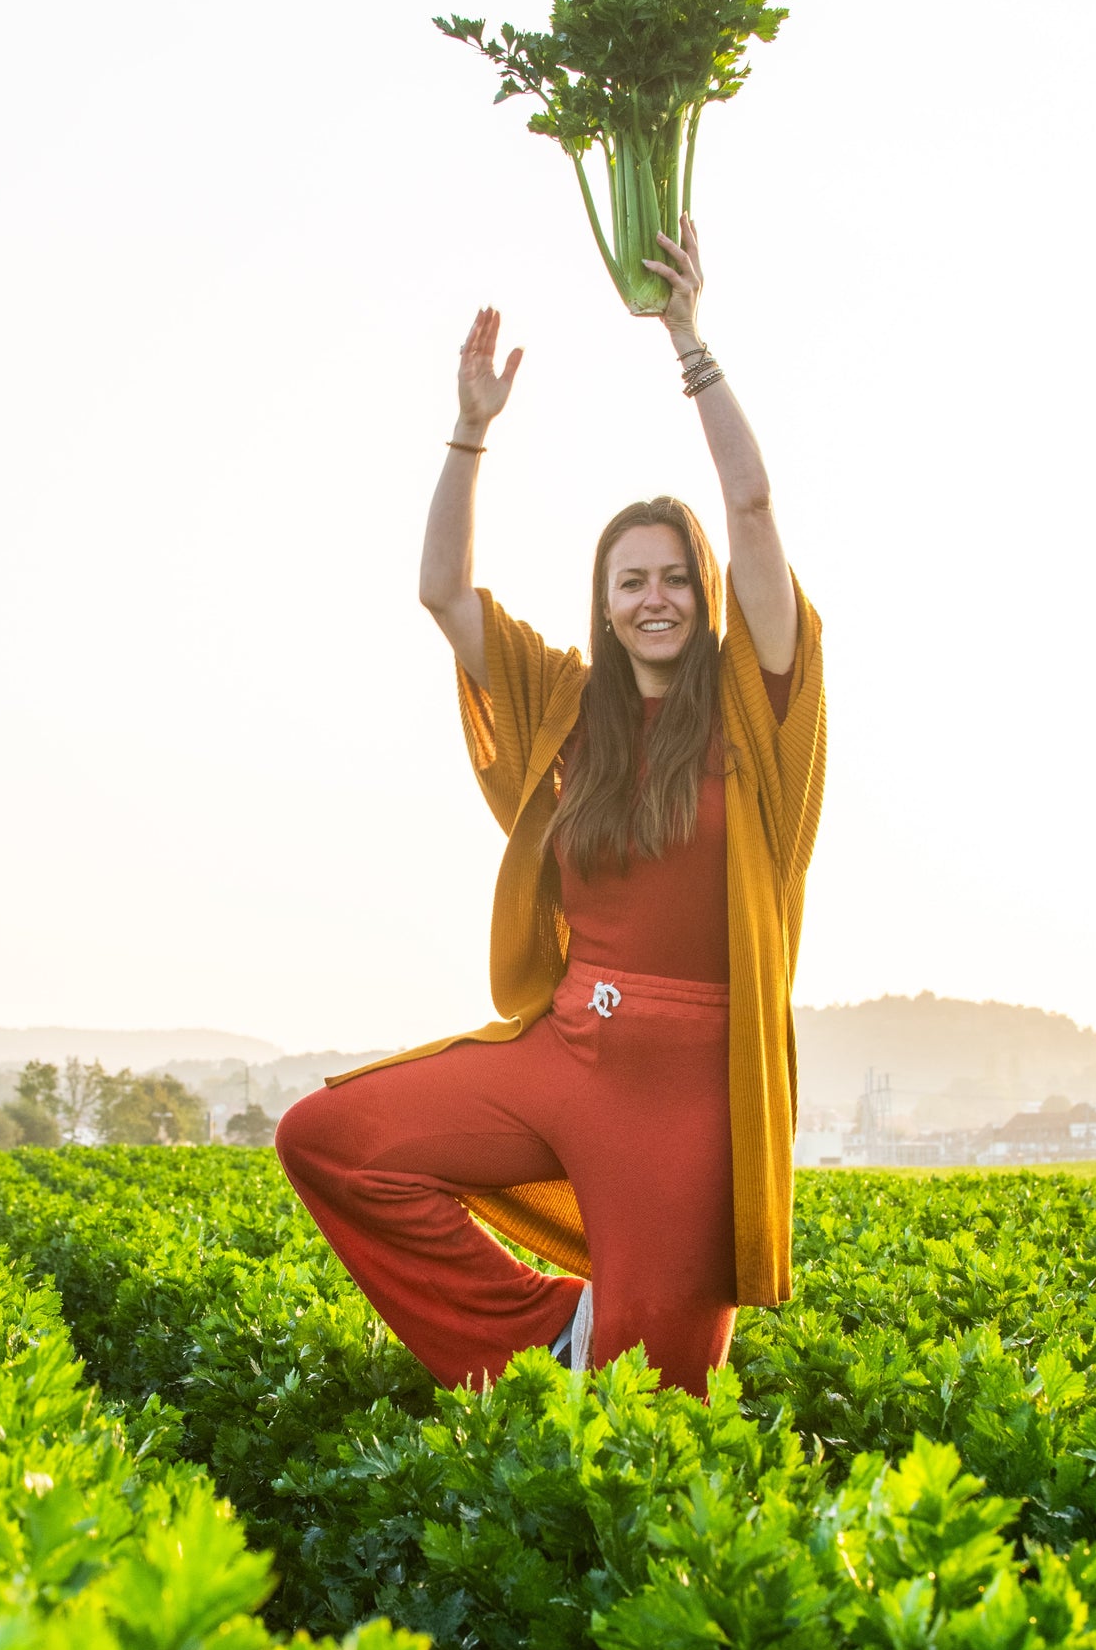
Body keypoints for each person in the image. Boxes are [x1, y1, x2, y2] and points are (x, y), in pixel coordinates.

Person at [276, 218, 826, 1397]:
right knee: (329, 1142)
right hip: (567, 1048)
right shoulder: (565, 708)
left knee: (654, 1411)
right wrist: (468, 434)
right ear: (607, 601)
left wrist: (691, 343)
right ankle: (544, 1327)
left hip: (690, 1091)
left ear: (704, 594)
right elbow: (442, 592)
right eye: (632, 581)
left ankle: (610, 1333)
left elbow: (755, 510)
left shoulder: (756, 715)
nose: (656, 598)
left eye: (675, 577)